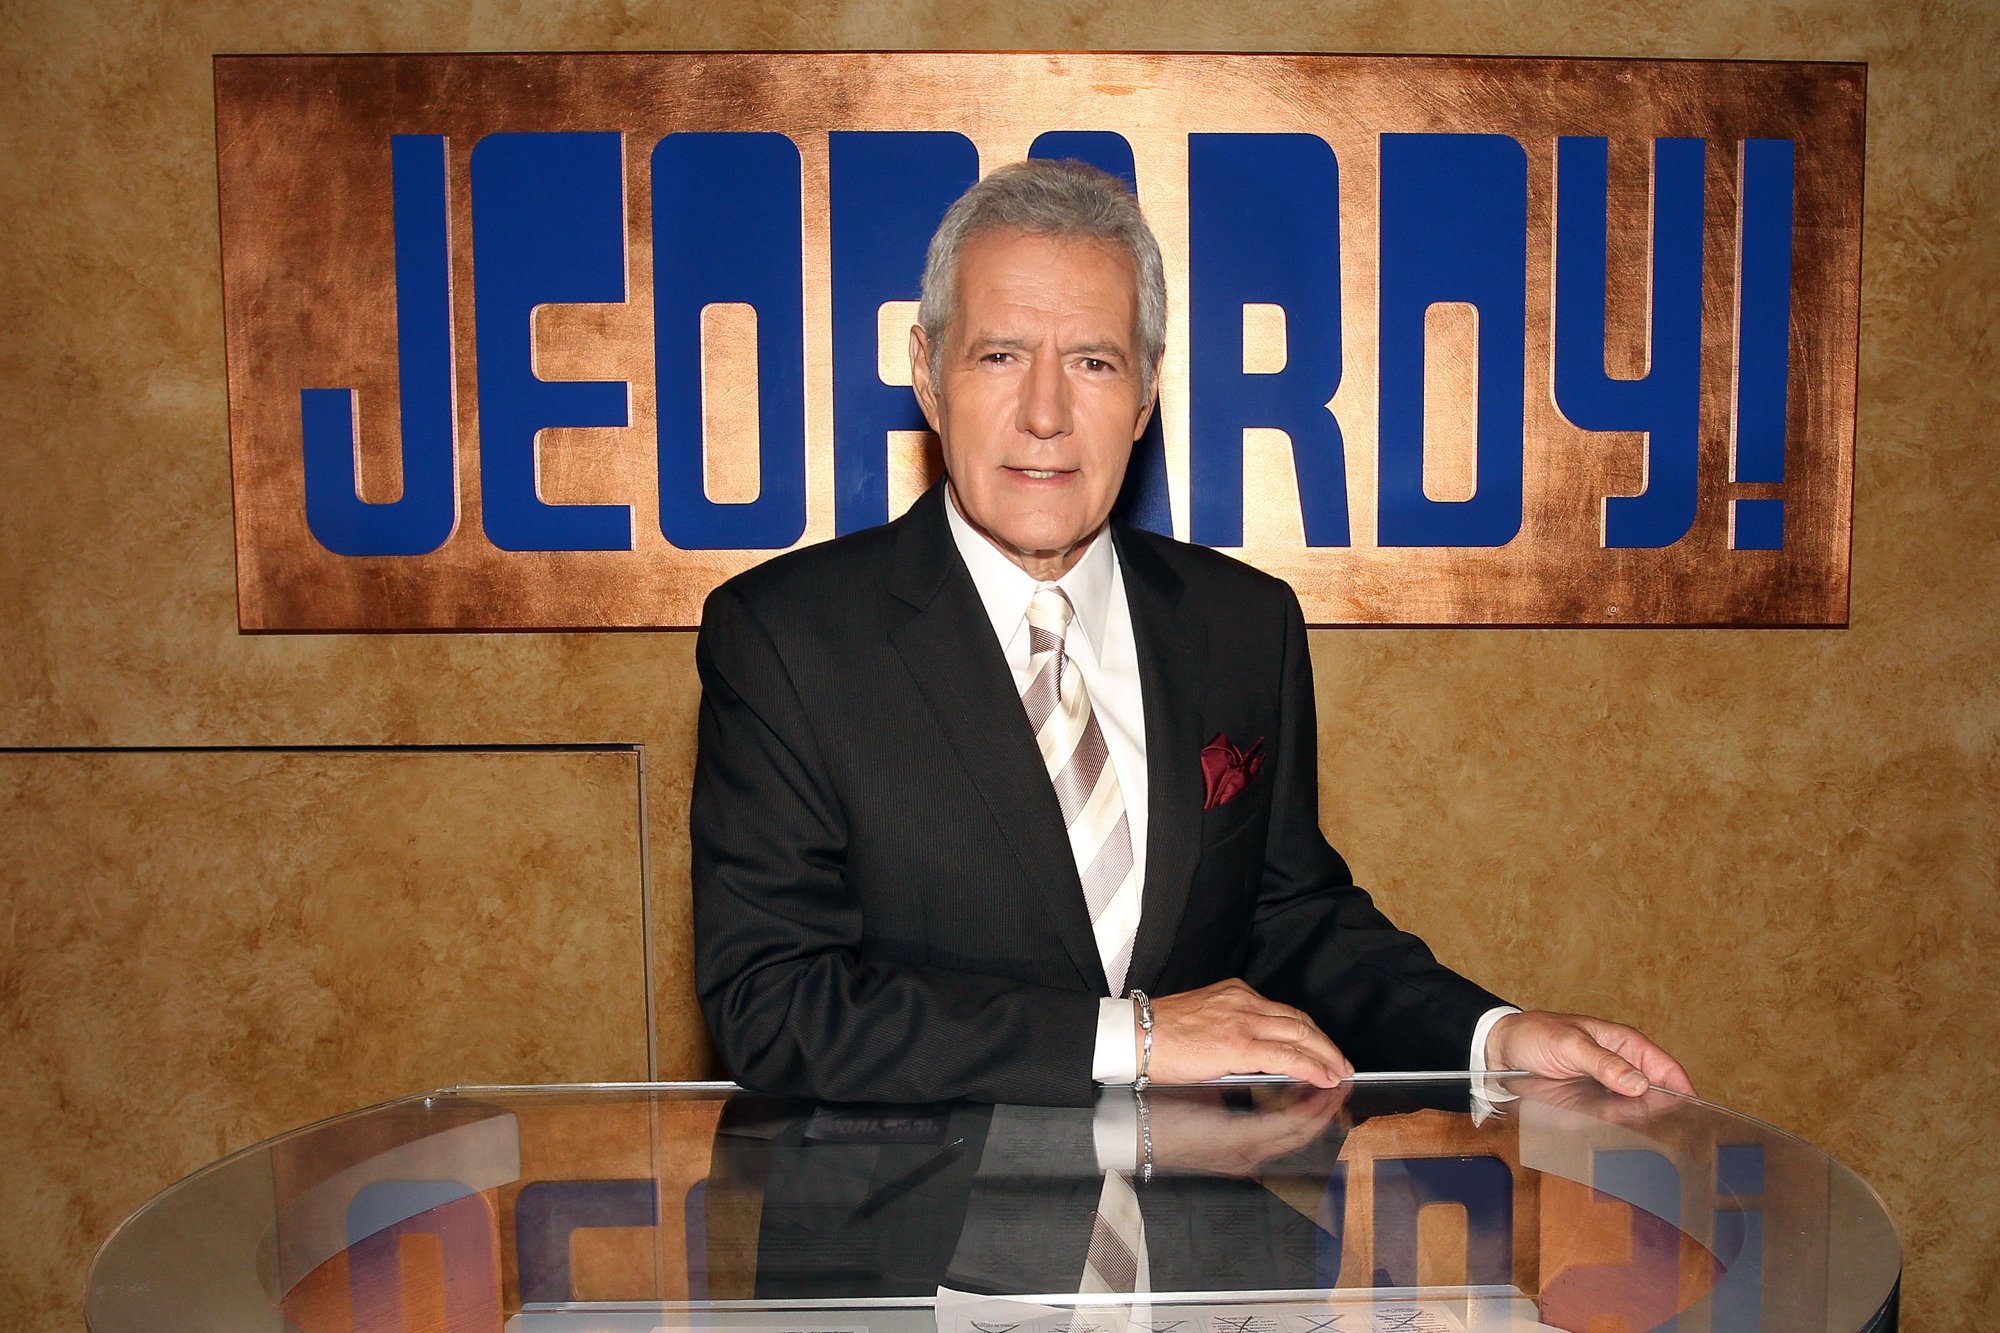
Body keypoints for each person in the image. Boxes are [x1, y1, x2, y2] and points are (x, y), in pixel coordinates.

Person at [691, 159, 1692, 1108]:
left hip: (1198, 1245)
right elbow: (771, 1008)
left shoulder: (1241, 625)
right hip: (908, 1261)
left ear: (1145, 393)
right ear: (926, 371)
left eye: (1091, 361)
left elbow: (1289, 916)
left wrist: (1490, 1035)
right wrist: (1131, 1039)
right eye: (999, 355)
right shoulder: (783, 639)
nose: (1044, 412)